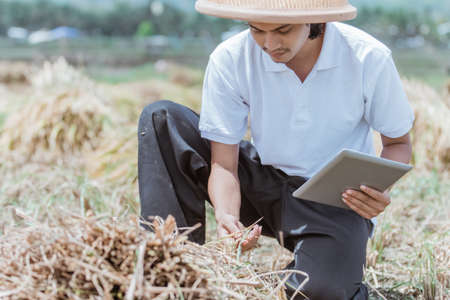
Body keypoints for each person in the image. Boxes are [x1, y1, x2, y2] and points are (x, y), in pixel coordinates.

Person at [137, 0, 414, 299]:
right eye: (257, 29)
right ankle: (168, 268)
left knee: (322, 290)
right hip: (263, 182)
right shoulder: (231, 58)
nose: (269, 44)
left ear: (316, 21)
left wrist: (377, 191)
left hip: (333, 201)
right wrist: (227, 218)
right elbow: (224, 164)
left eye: (283, 30)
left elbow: (397, 144)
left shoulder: (367, 58)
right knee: (162, 119)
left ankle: (294, 276)